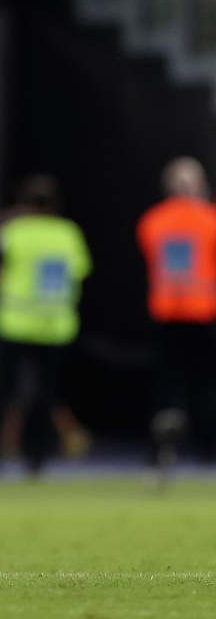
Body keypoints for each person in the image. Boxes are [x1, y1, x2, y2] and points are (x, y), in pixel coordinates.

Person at [0, 175, 91, 476]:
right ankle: (37, 458)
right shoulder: (69, 233)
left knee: (1, 392)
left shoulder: (10, 232)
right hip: (54, 325)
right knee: (45, 394)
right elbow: (79, 272)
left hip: (15, 322)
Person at [137, 157, 216, 469]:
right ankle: (208, 451)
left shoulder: (152, 221)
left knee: (165, 387)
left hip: (166, 313)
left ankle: (158, 453)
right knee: (205, 386)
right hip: (203, 314)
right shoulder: (210, 219)